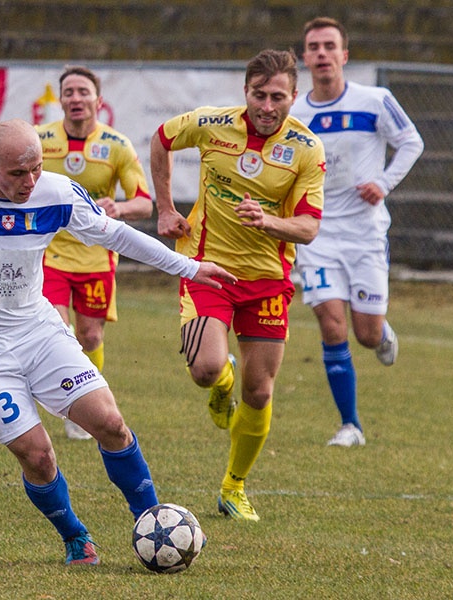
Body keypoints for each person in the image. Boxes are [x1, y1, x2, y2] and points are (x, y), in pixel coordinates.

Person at [0, 119, 235, 563]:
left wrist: (188, 267)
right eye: (17, 173)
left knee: (111, 424)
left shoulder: (56, 192)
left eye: (35, 168)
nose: (30, 181)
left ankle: (153, 521)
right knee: (38, 456)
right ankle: (75, 535)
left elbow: (113, 234)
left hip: (36, 332)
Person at [150, 49, 326, 521]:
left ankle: (234, 486)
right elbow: (162, 138)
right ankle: (219, 381)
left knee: (261, 392)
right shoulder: (211, 123)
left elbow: (308, 228)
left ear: (293, 96)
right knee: (206, 369)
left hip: (267, 281)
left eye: (278, 97)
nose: (267, 106)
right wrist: (166, 209)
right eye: (259, 95)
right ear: (244, 92)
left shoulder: (307, 149)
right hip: (206, 267)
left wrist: (268, 221)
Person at [290, 17, 424, 447]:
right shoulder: (295, 114)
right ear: (305, 57)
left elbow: (411, 141)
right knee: (332, 326)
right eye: (314, 47)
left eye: (330, 45)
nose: (323, 53)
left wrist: (383, 183)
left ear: (344, 55)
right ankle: (350, 425)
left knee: (366, 334)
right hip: (316, 233)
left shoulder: (374, 100)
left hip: (365, 234)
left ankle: (381, 333)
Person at [37, 65, 154, 441]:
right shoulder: (39, 140)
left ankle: (85, 409)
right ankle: (65, 401)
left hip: (96, 257)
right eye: (68, 92)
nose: (75, 98)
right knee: (59, 330)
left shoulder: (116, 146)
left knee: (90, 337)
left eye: (82, 92)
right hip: (48, 254)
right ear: (61, 100)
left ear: (97, 101)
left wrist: (118, 209)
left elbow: (144, 203)